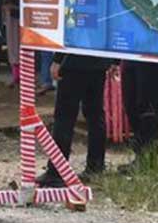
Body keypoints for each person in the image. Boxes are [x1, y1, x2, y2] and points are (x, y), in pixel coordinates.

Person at [37, 52, 112, 188]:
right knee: (95, 114)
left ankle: (57, 171)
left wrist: (58, 60)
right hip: (99, 61)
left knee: (64, 117)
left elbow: (71, 32)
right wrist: (114, 60)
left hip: (73, 61)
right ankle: (96, 166)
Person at [119, 60, 158, 173]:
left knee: (147, 106)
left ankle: (149, 158)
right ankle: (139, 154)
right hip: (131, 55)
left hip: (152, 57)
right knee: (129, 104)